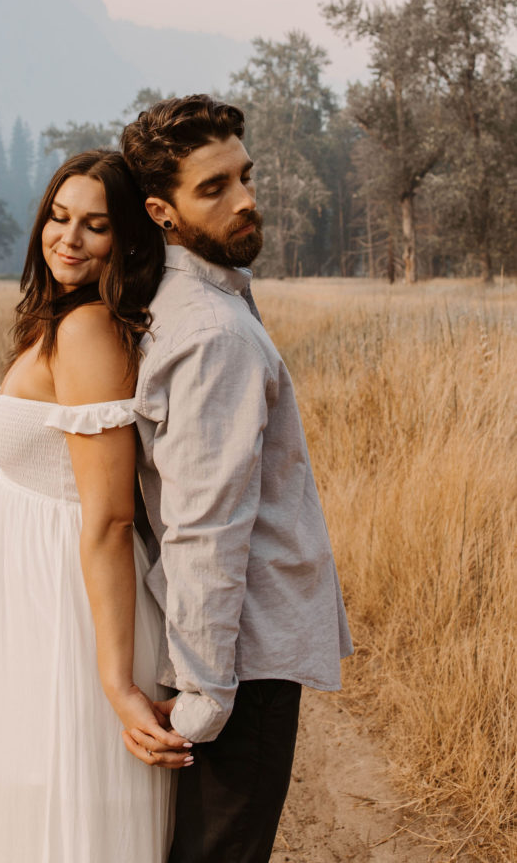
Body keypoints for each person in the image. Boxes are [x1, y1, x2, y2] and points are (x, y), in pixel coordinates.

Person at [121, 95, 354, 863]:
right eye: (213, 187)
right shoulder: (214, 332)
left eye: (244, 177)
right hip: (240, 665)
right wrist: (209, 695)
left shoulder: (206, 301)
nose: (245, 199)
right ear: (161, 210)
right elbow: (203, 526)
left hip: (230, 654)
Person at [0, 150, 189, 863]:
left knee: (72, 815)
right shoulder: (58, 319)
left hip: (74, 609)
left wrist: (117, 683)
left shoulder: (88, 329)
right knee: (36, 800)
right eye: (59, 218)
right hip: (35, 603)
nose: (68, 238)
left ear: (125, 239)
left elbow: (112, 514)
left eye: (94, 226)